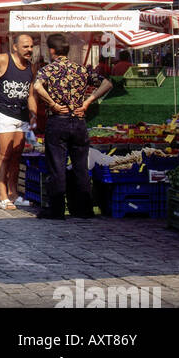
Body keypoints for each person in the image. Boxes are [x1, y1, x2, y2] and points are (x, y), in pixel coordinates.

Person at [32, 33, 112, 221]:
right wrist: (88, 102)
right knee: (80, 166)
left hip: (58, 120)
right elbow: (107, 83)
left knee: (57, 166)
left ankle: (57, 210)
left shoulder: (48, 70)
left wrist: (51, 103)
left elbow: (37, 87)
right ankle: (84, 209)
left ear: (51, 50)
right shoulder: (81, 70)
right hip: (78, 121)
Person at [0, 34, 35, 211]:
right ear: (15, 47)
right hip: (3, 113)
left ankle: (13, 193)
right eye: (25, 46)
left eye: (31, 46)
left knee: (16, 156)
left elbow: (31, 94)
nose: (29, 50)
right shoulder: (3, 60)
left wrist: (34, 113)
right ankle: (2, 196)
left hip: (22, 115)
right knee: (4, 155)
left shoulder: (31, 68)